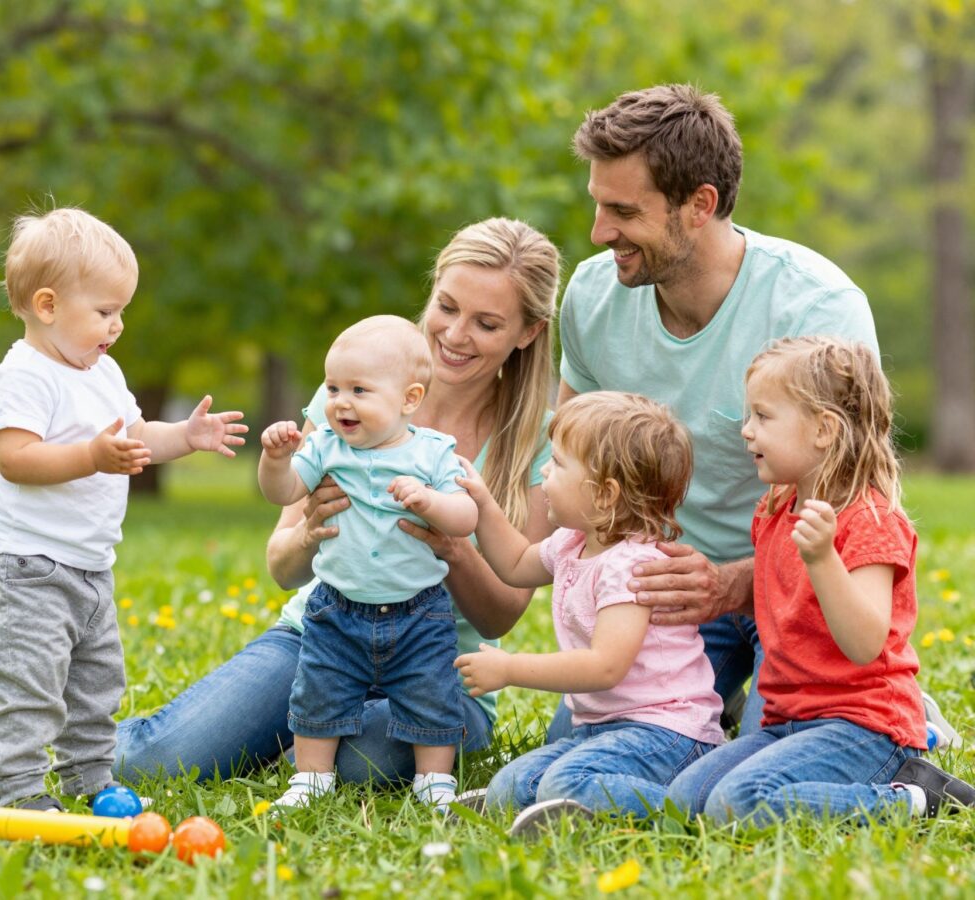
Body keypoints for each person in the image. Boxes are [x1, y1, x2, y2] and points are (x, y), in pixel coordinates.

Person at [552, 83, 966, 749]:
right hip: (672, 595)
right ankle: (712, 699)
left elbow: (865, 512)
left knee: (788, 742)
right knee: (589, 740)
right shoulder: (594, 298)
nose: (600, 234)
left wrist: (732, 582)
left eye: (623, 211)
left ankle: (898, 712)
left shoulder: (817, 309)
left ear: (700, 206)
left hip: (797, 587)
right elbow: (566, 462)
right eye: (599, 205)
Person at [109, 218, 560, 788]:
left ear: (527, 332)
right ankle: (38, 736)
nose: (454, 334)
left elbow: (501, 614)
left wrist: (452, 547)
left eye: (487, 323)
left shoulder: (537, 441)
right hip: (322, 634)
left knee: (352, 764)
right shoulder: (350, 398)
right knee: (150, 764)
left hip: (440, 663)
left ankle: (296, 741)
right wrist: (308, 531)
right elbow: (281, 567)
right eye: (446, 306)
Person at [0, 208, 246, 809]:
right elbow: (16, 459)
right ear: (48, 306)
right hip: (24, 570)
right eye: (105, 311)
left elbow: (136, 433)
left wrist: (184, 436)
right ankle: (18, 789)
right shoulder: (22, 376)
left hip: (89, 569)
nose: (118, 325)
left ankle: (89, 777)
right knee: (31, 687)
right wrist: (92, 457)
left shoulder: (103, 371)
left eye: (121, 311)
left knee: (96, 686)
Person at [666, 338, 975, 824]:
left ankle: (917, 798)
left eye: (763, 417)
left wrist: (823, 558)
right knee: (685, 799)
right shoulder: (774, 508)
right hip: (789, 721)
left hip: (864, 727)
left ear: (824, 430)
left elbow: (865, 643)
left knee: (739, 802)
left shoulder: (869, 519)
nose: (747, 432)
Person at [454, 392, 723, 832]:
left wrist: (510, 668)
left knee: (567, 781)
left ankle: (693, 813)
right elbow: (516, 564)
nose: (544, 471)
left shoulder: (631, 566)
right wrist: (483, 504)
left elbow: (604, 667)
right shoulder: (572, 541)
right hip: (605, 727)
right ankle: (553, 812)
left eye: (558, 464)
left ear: (604, 495)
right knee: (511, 785)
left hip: (666, 734)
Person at [258, 315, 478, 810]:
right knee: (320, 688)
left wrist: (429, 502)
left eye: (359, 389)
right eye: (333, 386)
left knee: (430, 692)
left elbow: (465, 517)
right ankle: (310, 779)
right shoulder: (325, 448)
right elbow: (284, 491)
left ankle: (434, 782)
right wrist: (275, 460)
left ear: (409, 400)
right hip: (337, 609)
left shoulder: (433, 454)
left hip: (418, 612)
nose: (340, 401)